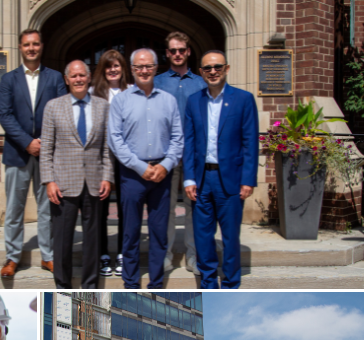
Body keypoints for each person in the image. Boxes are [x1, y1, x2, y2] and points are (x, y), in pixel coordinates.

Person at [108, 48, 183, 289]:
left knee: (159, 233)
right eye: (139, 66)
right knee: (130, 233)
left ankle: (156, 283)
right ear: (132, 69)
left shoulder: (168, 100)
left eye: (148, 66)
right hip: (132, 175)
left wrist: (166, 164)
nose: (144, 70)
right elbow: (115, 139)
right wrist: (140, 167)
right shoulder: (121, 100)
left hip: (162, 172)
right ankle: (130, 283)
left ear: (155, 68)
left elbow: (178, 138)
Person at [183, 50, 258, 289]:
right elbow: (189, 142)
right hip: (202, 179)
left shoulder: (243, 99)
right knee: (203, 238)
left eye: (217, 67)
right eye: (207, 68)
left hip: (231, 180)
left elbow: (250, 142)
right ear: (201, 72)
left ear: (226, 68)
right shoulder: (194, 101)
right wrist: (188, 178)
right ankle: (208, 282)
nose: (212, 72)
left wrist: (248, 180)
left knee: (230, 237)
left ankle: (231, 283)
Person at [0, 29, 67, 278]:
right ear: (20, 47)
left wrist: (43, 144)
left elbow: (62, 113)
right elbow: (5, 115)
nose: (31, 48)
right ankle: (12, 257)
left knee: (47, 208)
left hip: (48, 155)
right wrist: (28, 142)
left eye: (35, 44)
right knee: (15, 209)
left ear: (42, 46)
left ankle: (47, 256)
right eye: (27, 44)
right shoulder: (8, 80)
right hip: (17, 153)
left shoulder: (56, 78)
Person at [41, 60, 113, 289]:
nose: (79, 79)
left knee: (92, 240)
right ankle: (62, 285)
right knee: (62, 240)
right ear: (67, 79)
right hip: (63, 184)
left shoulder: (103, 106)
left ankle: (90, 287)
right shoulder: (53, 106)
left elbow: (107, 147)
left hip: (94, 183)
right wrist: (49, 181)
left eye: (82, 75)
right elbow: (47, 148)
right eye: (74, 76)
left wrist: (107, 176)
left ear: (89, 77)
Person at [155, 32, 207, 275]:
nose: (177, 54)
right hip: (166, 154)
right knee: (164, 208)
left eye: (181, 50)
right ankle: (164, 255)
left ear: (188, 52)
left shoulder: (201, 83)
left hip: (194, 154)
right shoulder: (156, 82)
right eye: (173, 50)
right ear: (167, 53)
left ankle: (193, 256)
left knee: (193, 206)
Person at [90, 50, 133, 278]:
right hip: (100, 157)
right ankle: (103, 252)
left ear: (123, 68)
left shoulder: (132, 92)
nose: (113, 70)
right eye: (108, 66)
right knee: (101, 207)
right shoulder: (93, 93)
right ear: (102, 69)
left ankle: (123, 254)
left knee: (126, 207)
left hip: (125, 157)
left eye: (117, 65)